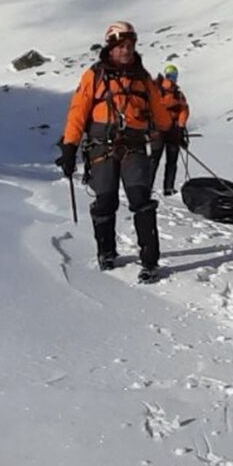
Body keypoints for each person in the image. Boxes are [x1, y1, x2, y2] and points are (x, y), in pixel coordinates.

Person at [57, 21, 178, 283]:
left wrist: (170, 130)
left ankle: (149, 262)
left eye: (130, 46)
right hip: (101, 147)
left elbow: (157, 108)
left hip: (133, 146)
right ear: (111, 47)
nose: (127, 51)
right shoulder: (94, 75)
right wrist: (70, 145)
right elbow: (78, 111)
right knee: (105, 202)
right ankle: (106, 252)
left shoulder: (143, 78)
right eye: (122, 46)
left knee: (141, 202)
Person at [150, 64, 190, 196]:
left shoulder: (173, 93)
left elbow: (184, 110)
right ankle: (166, 187)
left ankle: (150, 186)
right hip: (165, 129)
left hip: (164, 129)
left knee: (158, 159)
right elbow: (183, 109)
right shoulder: (171, 93)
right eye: (170, 76)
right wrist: (180, 125)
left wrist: (180, 125)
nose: (172, 79)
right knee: (165, 160)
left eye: (173, 76)